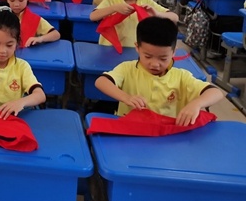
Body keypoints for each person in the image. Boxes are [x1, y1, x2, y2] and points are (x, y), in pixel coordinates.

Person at [95, 17, 223, 125]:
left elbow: (216, 92)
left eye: (163, 58)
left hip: (165, 135)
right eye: (148, 56)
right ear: (137, 47)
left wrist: (196, 104)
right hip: (132, 130)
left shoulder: (181, 77)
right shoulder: (127, 69)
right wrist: (126, 97)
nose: (155, 64)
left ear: (174, 52)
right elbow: (101, 81)